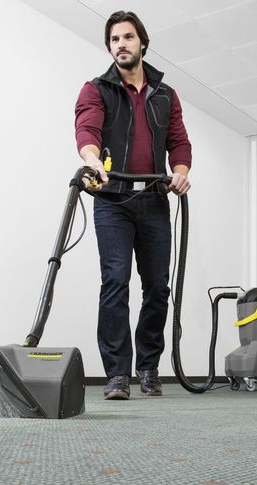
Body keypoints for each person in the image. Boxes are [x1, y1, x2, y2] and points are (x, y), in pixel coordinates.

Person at [74, 10, 192, 400]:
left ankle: (148, 367)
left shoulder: (165, 94)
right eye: (114, 40)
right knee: (116, 282)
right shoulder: (97, 89)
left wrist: (179, 170)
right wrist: (92, 162)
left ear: (142, 42)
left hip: (155, 199)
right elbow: (87, 130)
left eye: (127, 37)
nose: (120, 44)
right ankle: (117, 375)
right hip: (113, 200)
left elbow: (179, 141)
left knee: (158, 287)